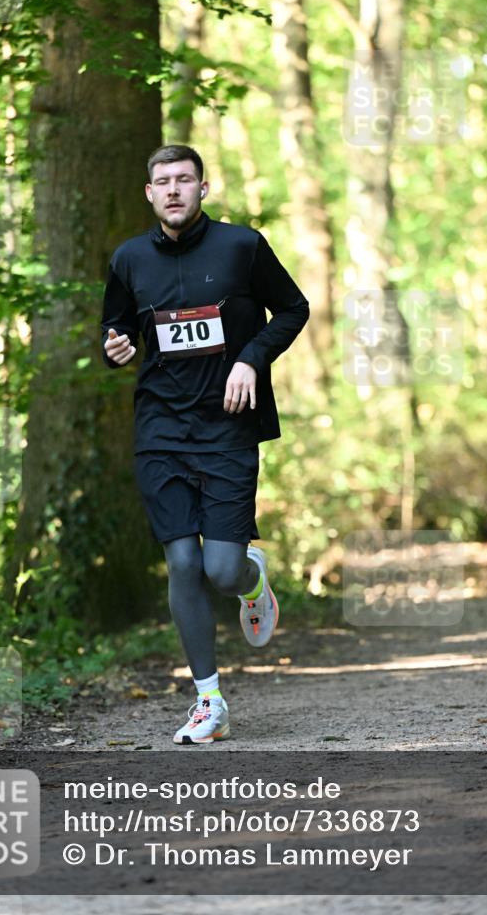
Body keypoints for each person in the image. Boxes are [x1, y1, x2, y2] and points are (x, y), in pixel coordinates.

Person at [100, 144, 309, 745]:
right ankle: (209, 701)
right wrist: (115, 346)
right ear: (149, 193)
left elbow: (293, 308)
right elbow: (117, 329)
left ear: (203, 188)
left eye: (183, 180)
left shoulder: (242, 246)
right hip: (160, 429)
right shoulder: (129, 259)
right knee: (182, 563)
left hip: (227, 426)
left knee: (219, 569)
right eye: (161, 181)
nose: (172, 190)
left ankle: (250, 580)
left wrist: (251, 358)